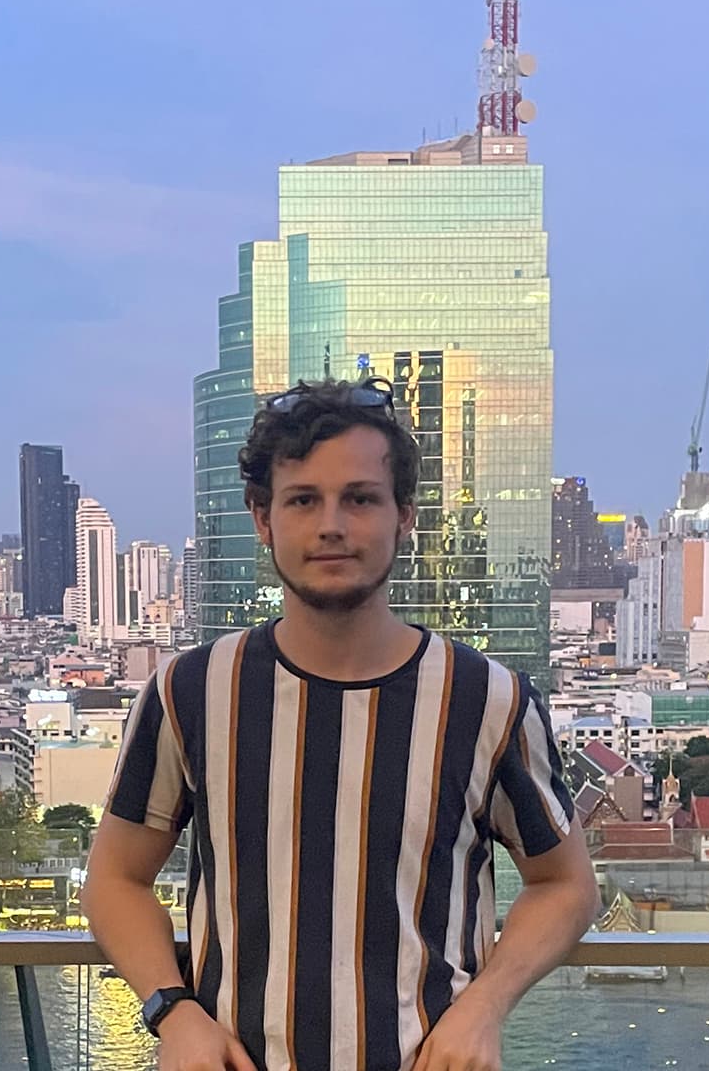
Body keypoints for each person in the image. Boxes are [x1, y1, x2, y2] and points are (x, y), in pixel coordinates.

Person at [85, 377, 600, 1071]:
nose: (332, 525)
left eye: (360, 498)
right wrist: (172, 1012)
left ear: (404, 516)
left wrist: (485, 1006)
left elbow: (565, 884)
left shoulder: (488, 700)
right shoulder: (191, 691)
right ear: (263, 520)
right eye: (303, 500)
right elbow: (114, 878)